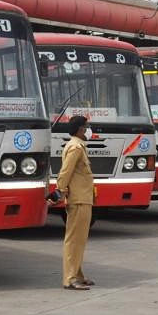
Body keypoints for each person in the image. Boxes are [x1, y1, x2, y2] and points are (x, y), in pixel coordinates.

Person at [55, 115, 95, 290]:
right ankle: (70, 278)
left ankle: (77, 274)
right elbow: (65, 172)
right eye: (86, 127)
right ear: (80, 129)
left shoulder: (78, 146)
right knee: (74, 240)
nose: (88, 130)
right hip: (78, 200)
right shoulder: (75, 147)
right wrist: (59, 190)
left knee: (80, 240)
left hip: (83, 198)